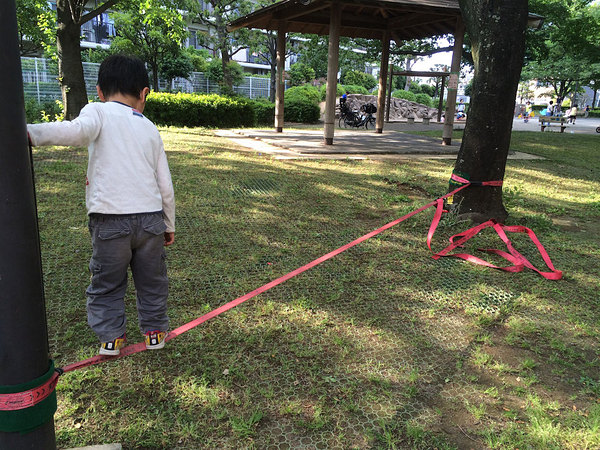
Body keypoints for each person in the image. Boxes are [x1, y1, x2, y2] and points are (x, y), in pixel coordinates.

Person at [27, 54, 175, 356]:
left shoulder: (98, 111)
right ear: (144, 92)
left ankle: (111, 337)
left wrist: (31, 133)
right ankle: (155, 332)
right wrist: (168, 224)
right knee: (152, 281)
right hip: (150, 222)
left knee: (107, 281)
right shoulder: (149, 126)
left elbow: (75, 131)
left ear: (99, 91)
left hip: (109, 221)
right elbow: (165, 184)